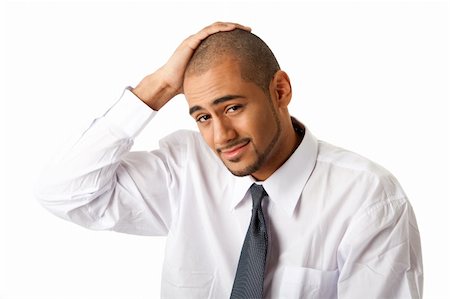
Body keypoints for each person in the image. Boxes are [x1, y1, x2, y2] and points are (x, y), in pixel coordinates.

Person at [36, 22, 423, 298]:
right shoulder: (185, 170)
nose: (221, 136)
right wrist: (158, 87)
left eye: (233, 107)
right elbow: (62, 192)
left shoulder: (368, 198)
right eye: (203, 116)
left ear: (280, 90)